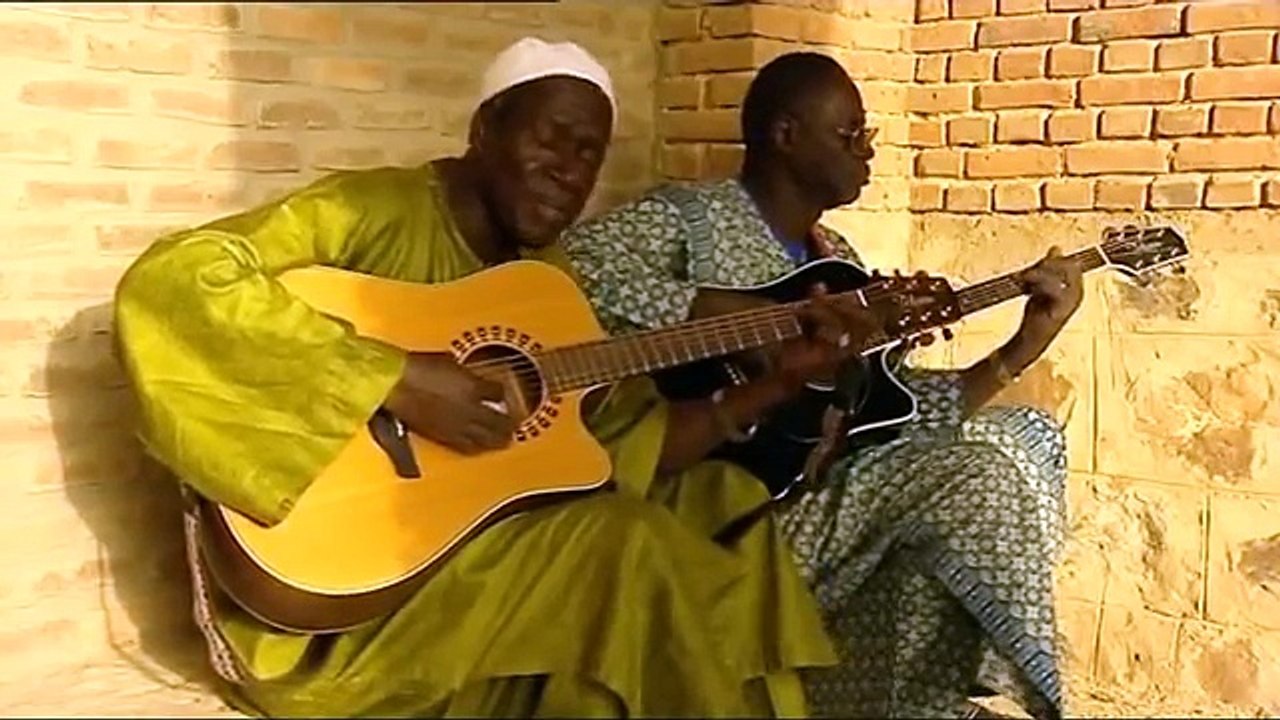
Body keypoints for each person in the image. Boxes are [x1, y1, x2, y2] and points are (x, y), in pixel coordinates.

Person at [112, 38, 891, 718]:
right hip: (344, 618)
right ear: (485, 130)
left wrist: (776, 383)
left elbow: (629, 442)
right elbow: (180, 280)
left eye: (590, 156)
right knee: (621, 545)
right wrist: (395, 378)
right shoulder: (374, 209)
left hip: (484, 563)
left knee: (729, 503)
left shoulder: (545, 286)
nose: (569, 172)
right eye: (553, 139)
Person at [562, 51, 1082, 720]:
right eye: (848, 133)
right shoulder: (689, 218)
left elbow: (885, 420)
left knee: (1027, 432)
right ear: (785, 135)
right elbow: (574, 269)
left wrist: (1020, 348)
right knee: (979, 477)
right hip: (722, 506)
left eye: (866, 135)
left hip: (827, 495)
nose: (865, 150)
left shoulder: (841, 263)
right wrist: (747, 325)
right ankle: (1045, 699)